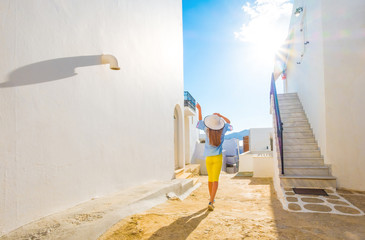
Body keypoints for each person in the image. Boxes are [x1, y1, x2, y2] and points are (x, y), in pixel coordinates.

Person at [196, 103, 232, 211]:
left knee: (210, 180)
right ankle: (211, 201)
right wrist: (221, 116)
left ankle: (211, 199)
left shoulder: (206, 130)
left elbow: (200, 122)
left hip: (208, 158)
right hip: (217, 157)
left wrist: (200, 109)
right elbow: (229, 123)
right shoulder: (222, 131)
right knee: (215, 180)